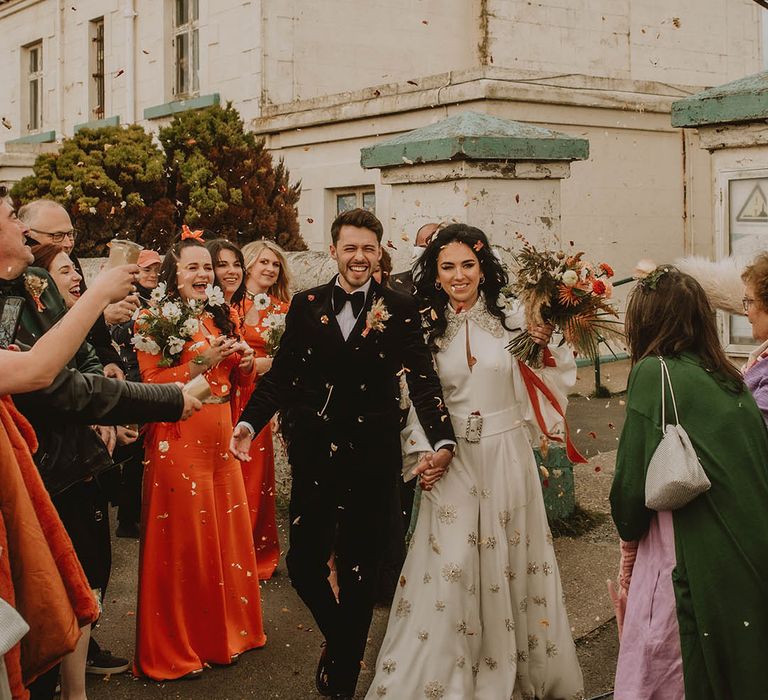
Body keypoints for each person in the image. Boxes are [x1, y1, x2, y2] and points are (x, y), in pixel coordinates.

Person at [230, 208, 456, 700]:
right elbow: (284, 374)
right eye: (350, 248)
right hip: (315, 452)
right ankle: (343, 645)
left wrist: (442, 438)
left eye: (368, 249)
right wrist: (249, 421)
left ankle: (343, 684)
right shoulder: (308, 304)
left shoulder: (399, 306)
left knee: (358, 571)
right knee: (304, 566)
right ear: (333, 250)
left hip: (373, 457)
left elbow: (422, 378)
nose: (358, 257)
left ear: (379, 254)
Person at [364, 224, 583, 699]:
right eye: (448, 267)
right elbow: (416, 395)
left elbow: (550, 380)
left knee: (509, 561)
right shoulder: (422, 326)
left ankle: (511, 668)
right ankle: (447, 676)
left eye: (468, 265)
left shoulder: (515, 319)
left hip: (506, 455)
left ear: (484, 269)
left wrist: (543, 342)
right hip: (451, 457)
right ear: (435, 272)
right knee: (454, 564)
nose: (459, 275)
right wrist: (424, 452)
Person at [610, 266, 768, 699]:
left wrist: (628, 541)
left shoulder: (654, 374)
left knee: (673, 665)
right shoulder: (732, 377)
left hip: (687, 547)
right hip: (748, 549)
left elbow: (629, 493)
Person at [133, 234, 266, 681]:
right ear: (173, 274)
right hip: (178, 436)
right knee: (185, 538)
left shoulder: (217, 314)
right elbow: (149, 384)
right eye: (192, 267)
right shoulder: (151, 318)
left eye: (206, 267)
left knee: (224, 531)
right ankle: (177, 645)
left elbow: (235, 378)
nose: (203, 275)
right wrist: (200, 362)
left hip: (221, 437)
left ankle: (226, 634)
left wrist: (242, 359)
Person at [232, 238, 292, 580]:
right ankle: (227, 548)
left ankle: (256, 553)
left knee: (254, 478)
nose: (270, 269)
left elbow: (289, 362)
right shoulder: (228, 305)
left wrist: (260, 365)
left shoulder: (282, 310)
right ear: (248, 265)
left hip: (260, 398)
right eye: (264, 262)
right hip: (227, 396)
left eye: (275, 265)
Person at [19, 199, 131, 379]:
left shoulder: (70, 260)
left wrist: (109, 361)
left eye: (70, 234)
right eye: (57, 236)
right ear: (27, 234)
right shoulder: (18, 273)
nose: (68, 243)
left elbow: (94, 332)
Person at [110, 248, 163, 538]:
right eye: (146, 270)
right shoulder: (127, 297)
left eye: (156, 270)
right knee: (134, 452)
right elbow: (117, 334)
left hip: (156, 379)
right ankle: (126, 519)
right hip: (134, 378)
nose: (152, 274)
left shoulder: (161, 298)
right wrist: (144, 327)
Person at [389, 222, 440, 296]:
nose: (427, 254)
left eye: (432, 248)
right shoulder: (394, 284)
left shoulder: (453, 284)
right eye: (423, 247)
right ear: (415, 247)